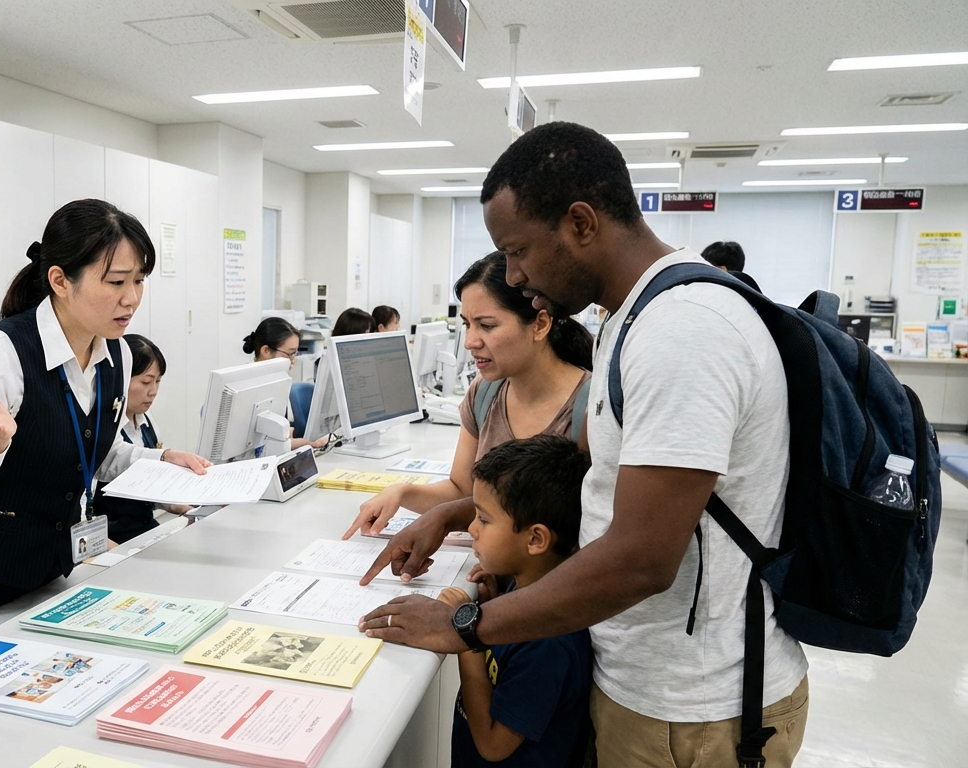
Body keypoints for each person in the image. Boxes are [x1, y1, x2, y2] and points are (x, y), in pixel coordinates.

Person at [357, 122, 808, 768]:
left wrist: (467, 625)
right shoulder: (634, 319)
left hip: (695, 710)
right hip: (649, 684)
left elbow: (642, 559)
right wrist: (465, 524)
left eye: (517, 251)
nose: (513, 272)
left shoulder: (682, 332)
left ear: (581, 224)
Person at [0, 198, 210, 618]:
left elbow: (92, 453)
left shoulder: (118, 355)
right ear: (59, 280)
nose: (132, 299)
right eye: (115, 282)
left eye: (140, 281)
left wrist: (162, 461)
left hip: (46, 577)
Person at [343, 250, 593, 540]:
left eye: (487, 325)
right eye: (467, 324)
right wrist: (402, 492)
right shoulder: (485, 392)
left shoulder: (590, 406)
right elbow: (463, 491)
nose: (471, 341)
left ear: (539, 324)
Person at [436, 436, 592, 768]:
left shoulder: (549, 643)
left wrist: (467, 640)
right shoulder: (525, 587)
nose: (471, 528)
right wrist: (492, 604)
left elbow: (494, 746)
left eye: (484, 519)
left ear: (535, 539)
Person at [93, 333, 189, 543]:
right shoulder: (102, 426)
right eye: (146, 382)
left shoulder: (145, 420)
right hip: (112, 535)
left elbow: (148, 483)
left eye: (158, 381)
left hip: (145, 527)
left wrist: (177, 504)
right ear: (120, 379)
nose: (153, 391)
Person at [242, 318, 327, 451]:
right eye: (290, 353)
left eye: (295, 353)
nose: (293, 360)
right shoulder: (245, 387)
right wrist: (298, 443)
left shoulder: (280, 381)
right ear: (266, 351)